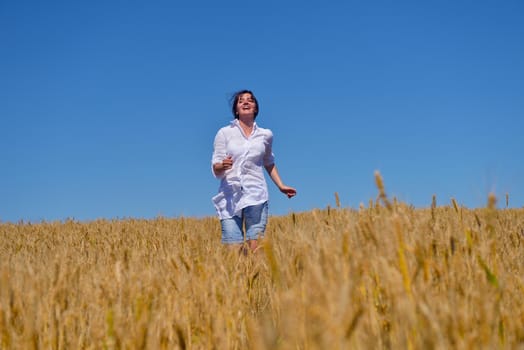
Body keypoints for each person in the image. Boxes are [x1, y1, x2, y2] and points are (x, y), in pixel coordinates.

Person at [211, 90, 296, 253]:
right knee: (233, 250)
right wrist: (223, 164)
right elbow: (216, 165)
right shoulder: (224, 133)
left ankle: (257, 276)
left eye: (250, 100)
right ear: (236, 109)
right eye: (241, 100)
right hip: (230, 196)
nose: (246, 102)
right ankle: (239, 278)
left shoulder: (265, 135)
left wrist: (281, 185)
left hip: (256, 194)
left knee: (256, 249)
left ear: (255, 108)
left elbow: (268, 162)